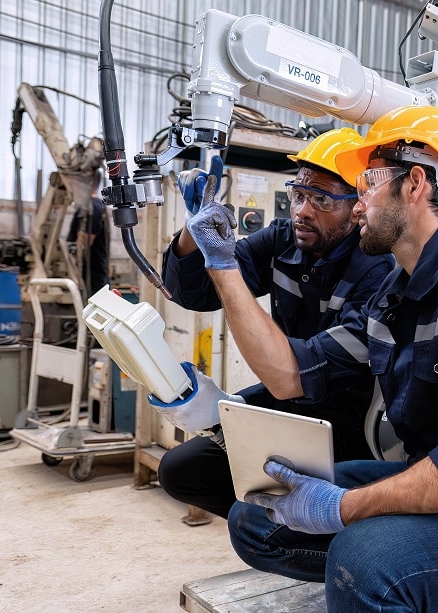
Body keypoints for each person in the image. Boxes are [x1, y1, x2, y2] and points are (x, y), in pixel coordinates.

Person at [185, 106, 438, 612]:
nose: (357, 204)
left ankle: (400, 577)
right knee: (257, 517)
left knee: (365, 562)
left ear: (416, 184)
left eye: (367, 183)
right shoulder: (396, 292)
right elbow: (287, 376)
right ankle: (414, 577)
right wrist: (223, 265)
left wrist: (342, 509)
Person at [156, 128, 395, 519]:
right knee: (182, 471)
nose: (301, 209)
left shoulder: (377, 271)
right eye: (299, 194)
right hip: (289, 401)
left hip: (349, 420)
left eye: (321, 199)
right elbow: (195, 294)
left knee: (254, 512)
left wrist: (224, 262)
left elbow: (295, 374)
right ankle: (279, 525)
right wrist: (192, 229)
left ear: (357, 207)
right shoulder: (283, 241)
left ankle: (304, 536)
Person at [67, 178, 110, 297]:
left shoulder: (93, 207)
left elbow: (84, 244)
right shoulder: (90, 206)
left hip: (92, 276)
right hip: (89, 274)